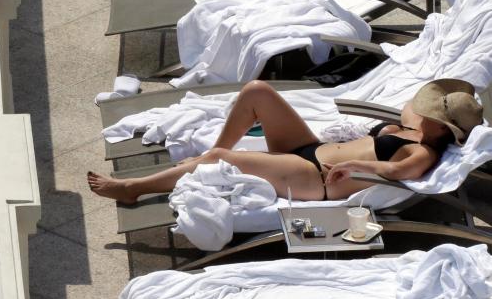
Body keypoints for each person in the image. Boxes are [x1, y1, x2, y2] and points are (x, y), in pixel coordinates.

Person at [88, 79, 483, 204]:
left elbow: (396, 170)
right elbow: (414, 99)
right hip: (308, 149)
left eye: (436, 113)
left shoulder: (423, 151)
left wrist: (358, 166)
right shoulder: (415, 124)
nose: (425, 111)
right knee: (257, 92)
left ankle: (132, 189)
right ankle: (207, 155)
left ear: (445, 129)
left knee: (229, 158)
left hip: (316, 176)